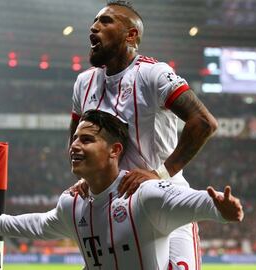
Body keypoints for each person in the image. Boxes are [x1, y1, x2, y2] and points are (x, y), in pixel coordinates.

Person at [0, 110, 243, 270]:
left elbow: (192, 202)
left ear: (115, 151)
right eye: (75, 138)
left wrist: (221, 208)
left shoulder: (144, 195)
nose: (74, 146)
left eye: (86, 140)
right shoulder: (72, 202)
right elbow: (40, 224)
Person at [69, 1, 218, 268]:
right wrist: (87, 177)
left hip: (164, 206)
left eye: (106, 21)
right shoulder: (84, 82)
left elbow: (203, 122)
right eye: (95, 21)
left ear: (131, 35)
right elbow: (76, 138)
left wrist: (158, 174)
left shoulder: (153, 74)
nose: (93, 27)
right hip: (111, 212)